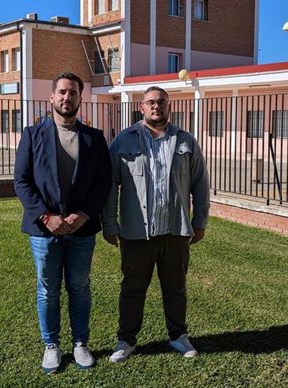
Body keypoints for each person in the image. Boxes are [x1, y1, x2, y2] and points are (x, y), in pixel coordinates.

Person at [102, 86, 210, 362]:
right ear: (142, 107)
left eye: (161, 101)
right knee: (132, 288)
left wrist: (199, 221)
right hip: (136, 233)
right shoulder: (124, 140)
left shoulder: (186, 140)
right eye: (150, 102)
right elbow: (109, 186)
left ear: (169, 106)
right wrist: (110, 224)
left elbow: (200, 184)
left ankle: (178, 336)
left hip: (175, 231)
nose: (156, 106)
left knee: (176, 288)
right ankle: (125, 340)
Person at [14, 72, 112, 373]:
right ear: (52, 96)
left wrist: (83, 214)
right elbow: (22, 181)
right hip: (44, 231)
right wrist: (46, 216)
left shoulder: (94, 139)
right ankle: (51, 345)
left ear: (80, 98)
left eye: (72, 92)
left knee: (80, 287)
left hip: (82, 229)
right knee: (48, 289)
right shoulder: (32, 135)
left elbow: (103, 182)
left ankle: (81, 343)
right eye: (62, 92)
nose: (67, 97)